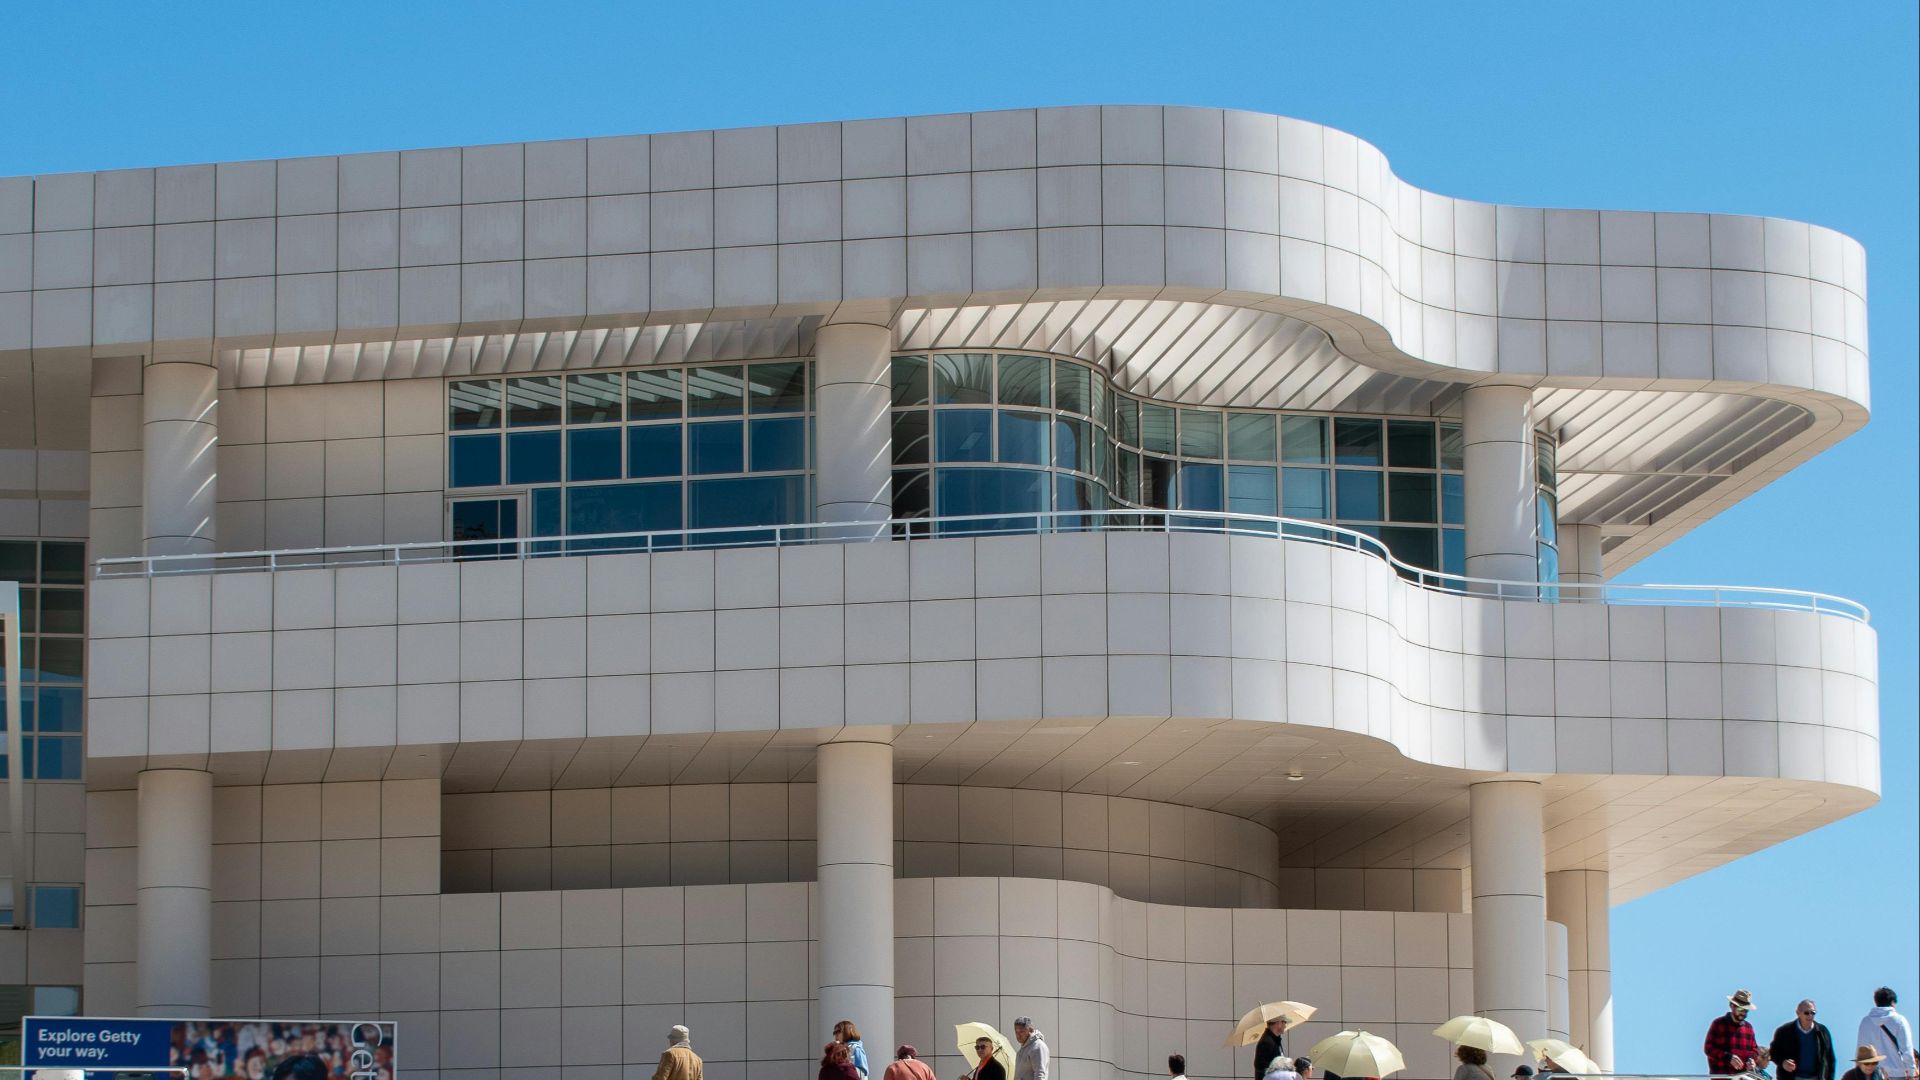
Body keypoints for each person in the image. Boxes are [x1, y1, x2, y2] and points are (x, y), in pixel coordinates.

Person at [1771, 999, 1838, 1080]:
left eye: (1813, 1012)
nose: (1810, 1015)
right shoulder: (1784, 1031)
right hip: (1791, 1077)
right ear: (1798, 1013)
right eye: (1806, 1013)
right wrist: (1783, 1062)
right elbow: (1773, 1052)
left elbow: (1830, 1059)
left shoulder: (1822, 1032)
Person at [1860, 989, 1916, 1080]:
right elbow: (1906, 1049)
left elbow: (1861, 1049)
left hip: (1872, 1074)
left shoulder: (1865, 1022)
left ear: (1876, 1002)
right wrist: (1911, 1072)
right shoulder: (1899, 1020)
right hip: (1897, 1073)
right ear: (1893, 1003)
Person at [1709, 989, 1767, 1076]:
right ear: (1731, 1006)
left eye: (1746, 1010)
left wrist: (1751, 1060)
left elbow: (1754, 1050)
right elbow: (1709, 1048)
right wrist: (1728, 1057)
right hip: (1722, 1077)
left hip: (1742, 1077)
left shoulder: (1749, 1028)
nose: (1743, 1012)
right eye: (1740, 1008)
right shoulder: (1718, 1024)